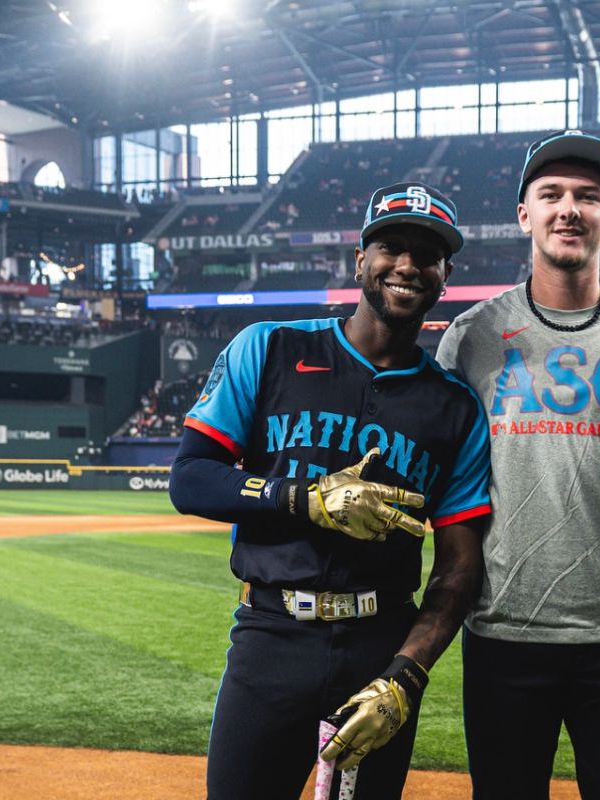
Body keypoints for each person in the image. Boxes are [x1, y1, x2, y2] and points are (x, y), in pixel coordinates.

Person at [169, 182, 491, 800]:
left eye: (427, 254)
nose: (407, 265)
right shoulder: (269, 348)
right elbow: (191, 477)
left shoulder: (455, 408)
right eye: (390, 246)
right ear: (359, 259)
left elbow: (457, 569)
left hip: (380, 647)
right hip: (271, 638)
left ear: (445, 274)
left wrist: (404, 678)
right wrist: (307, 498)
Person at [436, 130, 600, 800]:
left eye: (589, 196)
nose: (568, 209)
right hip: (502, 632)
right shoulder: (470, 336)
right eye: (550, 195)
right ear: (525, 214)